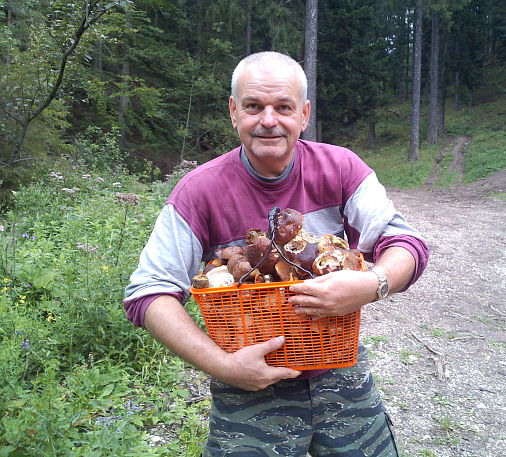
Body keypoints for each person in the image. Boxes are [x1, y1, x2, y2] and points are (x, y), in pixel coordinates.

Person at [124, 51, 429, 456]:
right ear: (234, 112)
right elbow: (148, 292)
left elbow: (405, 243)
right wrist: (222, 365)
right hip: (248, 376)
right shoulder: (199, 191)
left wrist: (373, 284)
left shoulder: (341, 168)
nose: (269, 120)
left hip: (337, 362)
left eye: (283, 107)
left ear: (303, 114)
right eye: (254, 106)